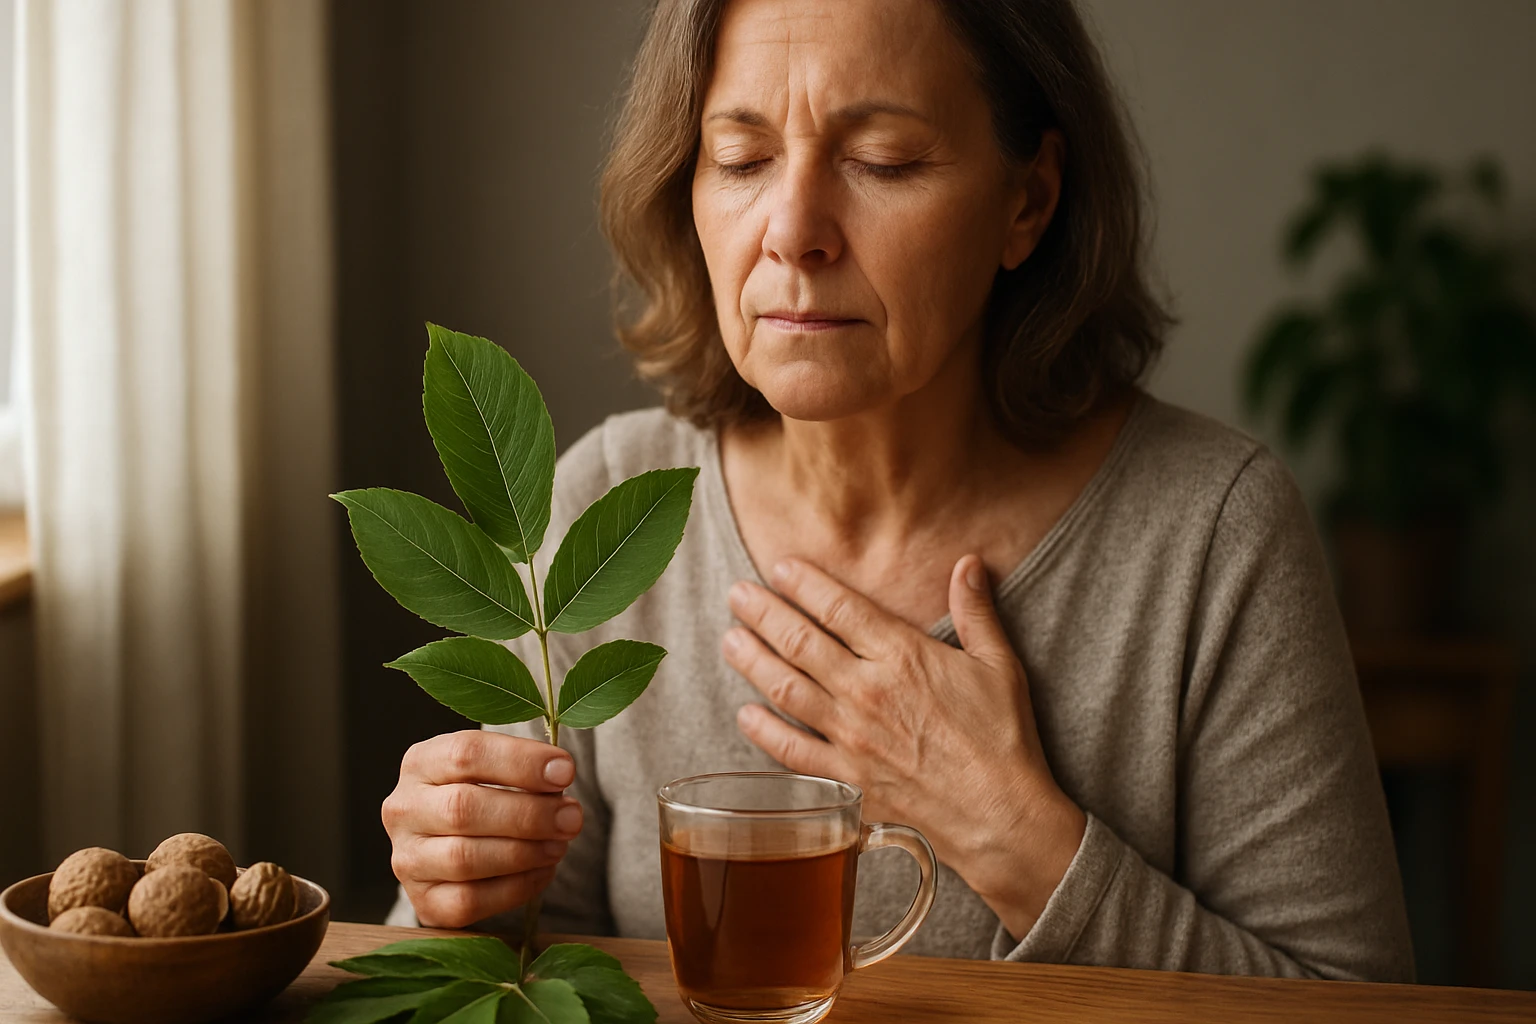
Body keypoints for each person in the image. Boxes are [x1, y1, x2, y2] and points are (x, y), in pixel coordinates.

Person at [383, 0, 1414, 981]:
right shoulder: (603, 499)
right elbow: (508, 960)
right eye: (739, 159)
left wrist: (1017, 837)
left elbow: (1353, 1001)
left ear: (1028, 201)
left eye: (882, 160)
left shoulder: (1214, 531)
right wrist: (452, 892)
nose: (793, 231)